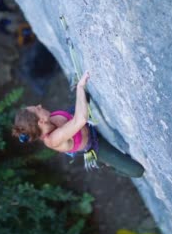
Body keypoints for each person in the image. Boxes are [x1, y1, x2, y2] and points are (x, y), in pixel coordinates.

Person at [12, 71, 145, 177]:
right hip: (93, 144)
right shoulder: (53, 140)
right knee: (136, 171)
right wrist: (80, 87)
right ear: (41, 121)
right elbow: (80, 120)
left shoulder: (48, 120)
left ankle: (76, 89)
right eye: (38, 109)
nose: (40, 105)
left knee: (83, 93)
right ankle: (105, 164)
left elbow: (76, 117)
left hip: (78, 120)